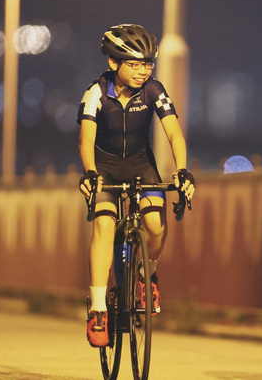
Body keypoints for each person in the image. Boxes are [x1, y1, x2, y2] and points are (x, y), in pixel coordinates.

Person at [77, 24, 195, 347]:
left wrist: (182, 170)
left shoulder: (154, 90)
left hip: (141, 164)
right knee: (104, 225)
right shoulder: (96, 92)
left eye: (148, 64)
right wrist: (90, 172)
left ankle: (146, 275)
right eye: (134, 64)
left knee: (155, 224)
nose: (143, 71)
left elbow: (174, 133)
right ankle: (98, 310)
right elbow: (86, 139)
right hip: (104, 167)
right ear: (113, 62)